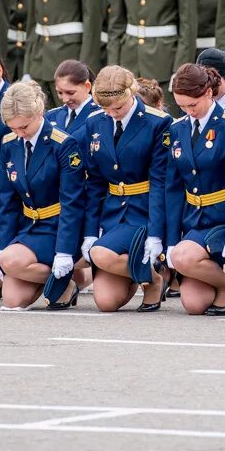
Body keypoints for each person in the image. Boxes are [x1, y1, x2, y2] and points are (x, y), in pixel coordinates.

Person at [81, 66, 171, 312]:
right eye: (105, 109)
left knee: (100, 254)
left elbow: (160, 182)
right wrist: (91, 231)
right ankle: (144, 275)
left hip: (143, 211)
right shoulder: (95, 123)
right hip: (112, 213)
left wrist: (155, 234)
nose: (111, 114)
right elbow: (95, 182)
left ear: (132, 94)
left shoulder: (157, 123)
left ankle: (151, 281)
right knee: (106, 302)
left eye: (118, 108)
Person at [0, 81, 85, 310]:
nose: (19, 133)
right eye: (13, 128)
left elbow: (72, 203)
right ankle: (65, 283)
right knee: (13, 300)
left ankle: (62, 271)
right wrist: (3, 245)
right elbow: (8, 201)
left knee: (11, 262)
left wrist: (64, 251)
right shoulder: (10, 143)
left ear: (39, 112)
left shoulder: (63, 144)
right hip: (30, 226)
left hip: (58, 225)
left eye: (23, 126)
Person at [164, 63, 225, 315]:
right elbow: (173, 188)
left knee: (183, 259)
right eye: (182, 106)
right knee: (193, 304)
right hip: (194, 219)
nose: (189, 111)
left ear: (209, 93)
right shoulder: (178, 128)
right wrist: (170, 240)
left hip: (223, 217)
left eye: (193, 105)